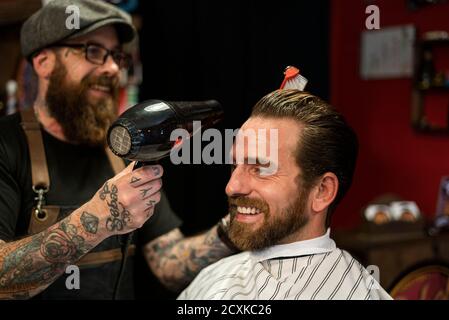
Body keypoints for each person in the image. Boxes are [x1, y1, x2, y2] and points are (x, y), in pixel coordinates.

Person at [0, 0, 234, 299]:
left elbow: (167, 262)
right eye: (93, 51)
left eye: (116, 56)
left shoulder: (123, 148)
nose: (112, 68)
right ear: (44, 62)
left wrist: (233, 230)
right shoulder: (7, 146)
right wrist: (97, 220)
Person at [178, 89, 393, 300]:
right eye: (235, 165)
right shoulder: (211, 278)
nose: (232, 187)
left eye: (260, 169)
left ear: (322, 191)